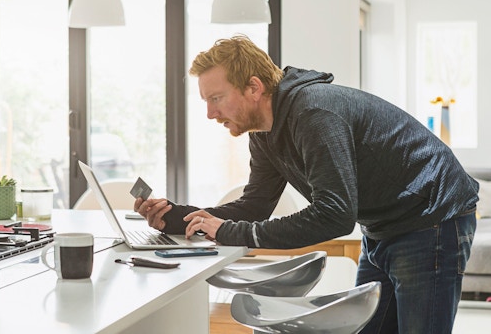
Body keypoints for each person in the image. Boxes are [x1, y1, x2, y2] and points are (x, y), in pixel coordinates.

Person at [134, 35, 479, 333]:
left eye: (216, 98)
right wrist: (179, 218)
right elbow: (255, 206)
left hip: (433, 217)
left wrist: (234, 232)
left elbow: (335, 215)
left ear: (253, 87)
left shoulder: (314, 114)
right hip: (384, 227)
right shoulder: (264, 133)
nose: (210, 113)